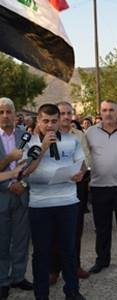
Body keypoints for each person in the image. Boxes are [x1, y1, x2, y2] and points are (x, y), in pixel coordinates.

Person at [24, 103, 86, 300]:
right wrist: (42, 148)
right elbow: (25, 172)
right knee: (41, 253)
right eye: (45, 121)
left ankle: (72, 291)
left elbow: (82, 165)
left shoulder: (72, 140)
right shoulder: (28, 143)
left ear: (60, 121)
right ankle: (41, 295)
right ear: (38, 121)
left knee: (68, 249)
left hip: (67, 202)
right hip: (40, 205)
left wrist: (80, 174)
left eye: (53, 121)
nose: (50, 125)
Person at [86, 100, 117, 274]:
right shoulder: (90, 132)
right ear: (100, 112)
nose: (108, 113)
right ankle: (102, 260)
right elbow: (86, 157)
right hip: (99, 186)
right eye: (104, 110)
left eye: (111, 110)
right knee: (102, 227)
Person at [48, 102, 91, 285]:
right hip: (55, 186)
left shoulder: (79, 135)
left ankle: (74, 265)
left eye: (68, 113)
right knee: (55, 230)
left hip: (76, 184)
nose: (66, 116)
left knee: (75, 228)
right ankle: (54, 269)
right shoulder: (48, 135)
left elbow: (86, 158)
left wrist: (81, 172)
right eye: (62, 113)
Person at [0, 98, 33, 300]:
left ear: (15, 114)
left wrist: (24, 184)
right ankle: (3, 280)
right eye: (1, 112)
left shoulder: (26, 135)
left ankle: (18, 276)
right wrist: (9, 184)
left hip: (22, 195)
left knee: (21, 240)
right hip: (2, 195)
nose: (5, 116)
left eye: (8, 111)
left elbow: (32, 163)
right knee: (2, 242)